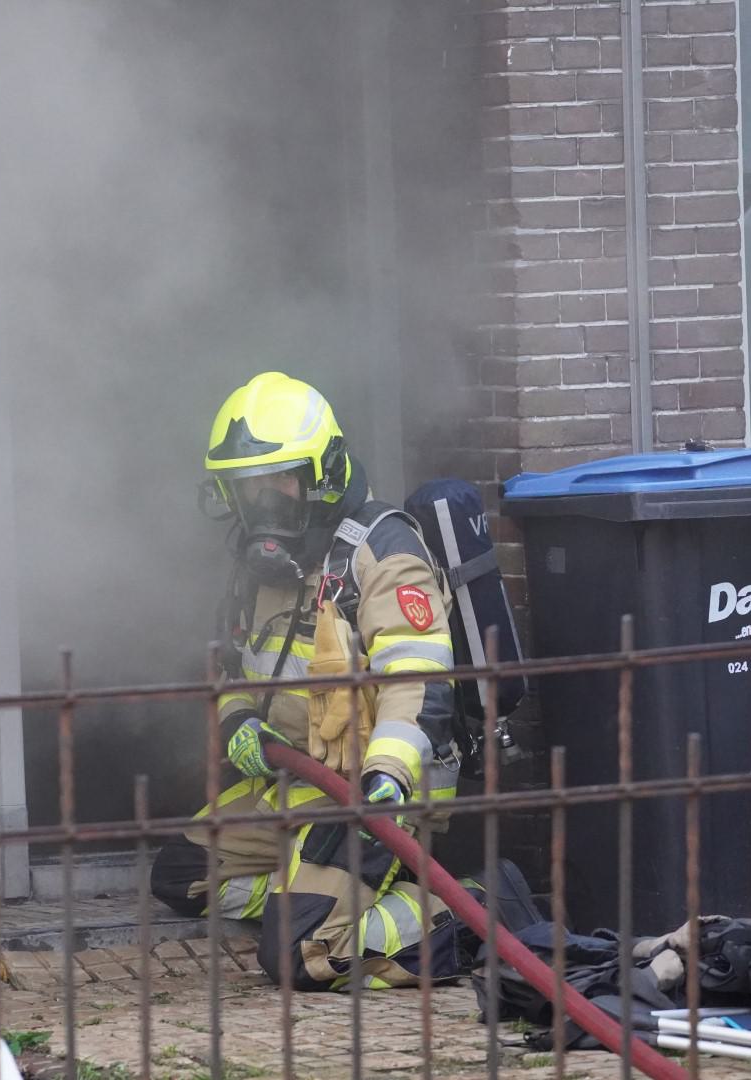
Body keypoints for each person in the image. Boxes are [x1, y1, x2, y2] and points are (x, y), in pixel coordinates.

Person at [150, 371, 467, 990]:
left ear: (322, 474)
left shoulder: (383, 551)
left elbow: (420, 680)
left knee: (299, 956)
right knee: (182, 873)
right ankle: (313, 893)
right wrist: (239, 721)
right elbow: (236, 670)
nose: (265, 502)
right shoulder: (259, 567)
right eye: (249, 487)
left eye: (280, 481)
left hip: (375, 797)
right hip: (292, 791)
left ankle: (468, 909)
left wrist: (388, 776)